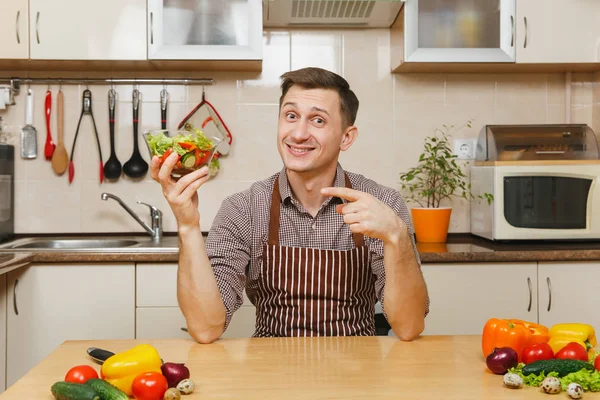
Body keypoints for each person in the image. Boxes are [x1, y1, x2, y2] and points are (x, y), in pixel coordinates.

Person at [151, 67, 429, 343]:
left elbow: (408, 327)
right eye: (291, 116)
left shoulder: (384, 205)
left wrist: (396, 235)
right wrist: (188, 225)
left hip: (358, 373)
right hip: (270, 373)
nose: (298, 134)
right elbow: (205, 328)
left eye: (318, 121)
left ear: (347, 137)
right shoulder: (243, 208)